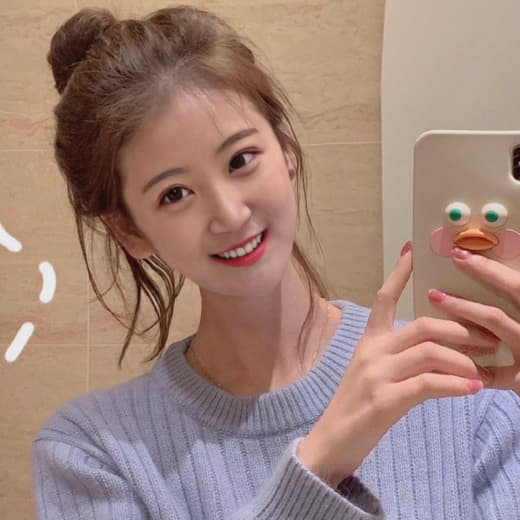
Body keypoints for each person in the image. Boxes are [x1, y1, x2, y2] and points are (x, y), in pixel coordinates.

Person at [32, 5, 520, 519]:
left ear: (285, 148)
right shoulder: (90, 454)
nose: (229, 213)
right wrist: (322, 461)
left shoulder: (465, 386)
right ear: (130, 230)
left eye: (240, 160)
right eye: (175, 194)